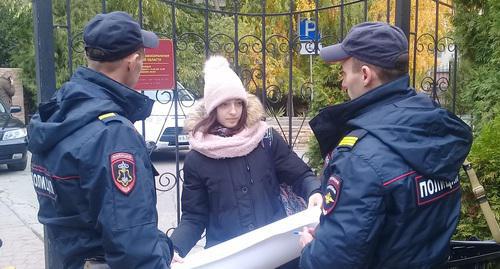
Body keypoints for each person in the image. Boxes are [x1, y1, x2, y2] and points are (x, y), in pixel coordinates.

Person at [299, 22, 473, 269]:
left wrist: (311, 251)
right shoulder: (435, 126)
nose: (343, 84)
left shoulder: (359, 157)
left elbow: (331, 263)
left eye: (345, 73)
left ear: (366, 75)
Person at [27, 11, 173, 269]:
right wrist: (162, 250)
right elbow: (134, 251)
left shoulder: (58, 115)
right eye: (142, 57)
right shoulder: (112, 134)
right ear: (132, 61)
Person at [170, 56, 322, 265]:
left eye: (238, 103)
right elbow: (194, 217)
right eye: (224, 104)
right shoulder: (198, 158)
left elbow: (300, 175)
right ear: (212, 108)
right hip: (232, 258)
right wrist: (175, 247)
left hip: (277, 253)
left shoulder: (265, 139)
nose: (233, 111)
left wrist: (314, 190)